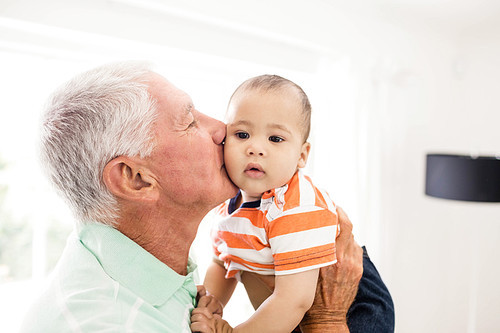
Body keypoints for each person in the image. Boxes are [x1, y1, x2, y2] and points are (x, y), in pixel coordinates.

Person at [20, 62, 369, 332]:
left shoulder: (158, 278)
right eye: (189, 122)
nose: (222, 129)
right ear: (136, 179)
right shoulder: (113, 323)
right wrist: (327, 320)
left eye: (275, 138)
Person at [191, 75, 394, 333]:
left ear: (301, 155)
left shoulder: (296, 205)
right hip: (288, 305)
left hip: (358, 307)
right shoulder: (228, 207)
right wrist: (210, 303)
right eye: (242, 134)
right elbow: (222, 263)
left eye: (275, 139)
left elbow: (294, 301)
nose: (255, 148)